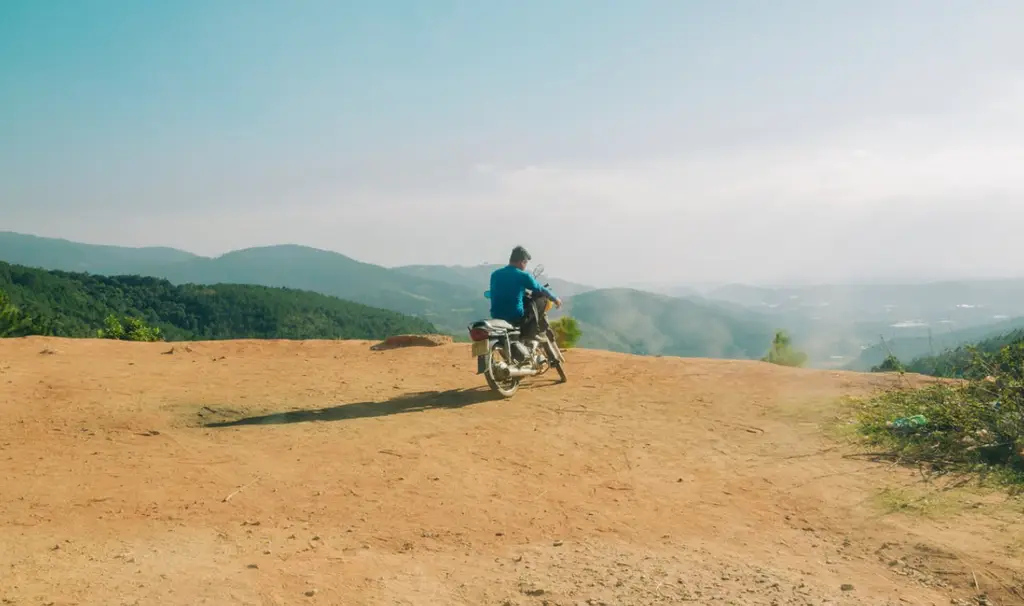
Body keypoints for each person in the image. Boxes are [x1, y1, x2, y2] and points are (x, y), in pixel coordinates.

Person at [489, 246, 562, 361]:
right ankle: (531, 332)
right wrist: (555, 298)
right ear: (522, 262)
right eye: (526, 263)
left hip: (496, 315)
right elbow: (540, 289)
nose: (525, 266)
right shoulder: (523, 275)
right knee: (542, 300)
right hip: (515, 316)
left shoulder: (495, 274)